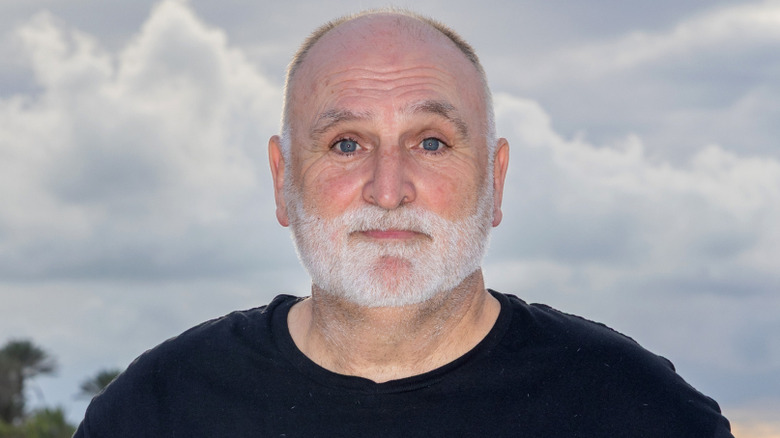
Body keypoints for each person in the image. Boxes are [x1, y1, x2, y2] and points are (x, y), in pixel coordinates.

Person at [74, 9, 733, 437]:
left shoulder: (638, 413)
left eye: (432, 143)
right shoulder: (158, 412)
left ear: (495, 181)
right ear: (282, 180)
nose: (389, 191)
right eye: (346, 145)